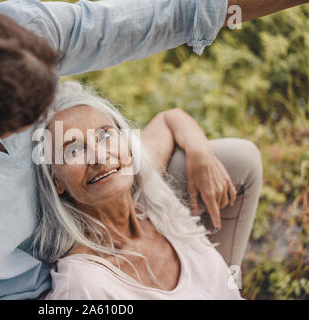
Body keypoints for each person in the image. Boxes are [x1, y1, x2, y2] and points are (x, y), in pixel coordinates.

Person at [0, 0, 306, 299]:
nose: (43, 129)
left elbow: (160, 14)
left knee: (235, 160)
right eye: (33, 128)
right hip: (59, 294)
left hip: (97, 209)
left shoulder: (19, 30)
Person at [32, 81, 250, 299]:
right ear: (56, 181)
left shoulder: (152, 197)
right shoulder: (83, 288)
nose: (99, 157)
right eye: (74, 149)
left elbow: (168, 118)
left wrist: (199, 149)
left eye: (105, 135)